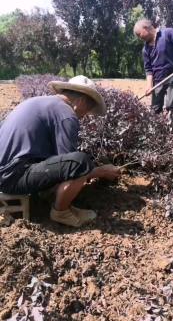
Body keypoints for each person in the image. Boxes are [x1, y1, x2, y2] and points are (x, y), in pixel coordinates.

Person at [0, 75, 121, 227]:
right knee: (81, 162)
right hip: (12, 178)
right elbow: (70, 166)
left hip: (6, 170)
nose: (84, 116)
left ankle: (50, 197)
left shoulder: (39, 102)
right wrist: (101, 171)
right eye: (87, 110)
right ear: (81, 101)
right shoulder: (66, 114)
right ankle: (61, 212)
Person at [133, 18, 173, 114]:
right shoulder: (145, 49)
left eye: (139, 34)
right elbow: (148, 69)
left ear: (146, 27)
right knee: (155, 109)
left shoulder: (168, 33)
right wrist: (149, 86)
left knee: (172, 108)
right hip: (157, 81)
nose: (140, 38)